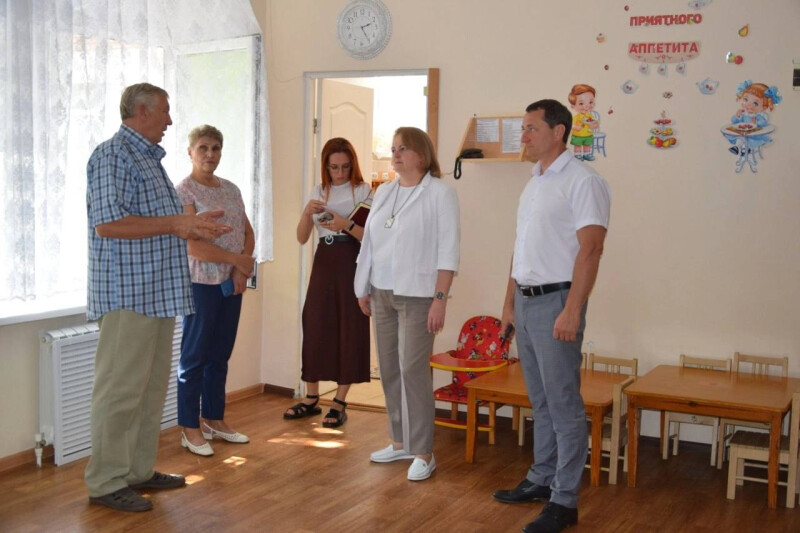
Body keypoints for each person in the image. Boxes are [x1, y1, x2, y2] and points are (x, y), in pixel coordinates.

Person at [85, 83, 232, 512]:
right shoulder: (113, 155)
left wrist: (191, 224)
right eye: (165, 111)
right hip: (127, 295)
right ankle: (106, 480)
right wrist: (176, 224)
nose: (170, 120)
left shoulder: (148, 159)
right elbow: (108, 224)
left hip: (158, 294)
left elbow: (162, 223)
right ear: (142, 110)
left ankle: (136, 470)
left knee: (149, 391)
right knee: (119, 392)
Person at [493, 99, 610, 533]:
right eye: (523, 128)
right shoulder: (534, 182)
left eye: (531, 128)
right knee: (540, 400)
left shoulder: (583, 181)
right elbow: (520, 247)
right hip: (525, 302)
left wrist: (572, 310)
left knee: (563, 404)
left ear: (558, 132)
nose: (523, 136)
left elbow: (591, 250)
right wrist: (508, 304)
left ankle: (565, 500)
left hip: (558, 302)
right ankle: (542, 478)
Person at [354, 127, 460, 482]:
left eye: (403, 149)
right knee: (389, 369)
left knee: (413, 371)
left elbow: (448, 251)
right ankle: (400, 442)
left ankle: (423, 451)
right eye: (394, 148)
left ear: (422, 154)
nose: (396, 154)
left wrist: (439, 300)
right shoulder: (385, 191)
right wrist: (362, 286)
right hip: (381, 290)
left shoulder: (440, 193)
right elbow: (370, 243)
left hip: (418, 295)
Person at [175, 125, 255, 456]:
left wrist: (239, 270)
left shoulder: (232, 189)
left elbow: (248, 233)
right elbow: (192, 246)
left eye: (216, 148)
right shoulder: (183, 191)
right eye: (203, 148)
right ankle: (189, 427)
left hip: (230, 284)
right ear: (190, 152)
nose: (210, 154)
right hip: (201, 285)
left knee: (220, 354)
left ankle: (213, 419)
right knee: (194, 357)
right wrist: (237, 261)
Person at [283, 138, 372, 428]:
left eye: (345, 166)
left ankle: (339, 401)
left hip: (351, 259)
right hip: (324, 258)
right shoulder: (319, 191)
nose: (340, 173)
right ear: (326, 166)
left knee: (349, 324)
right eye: (334, 167)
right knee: (315, 322)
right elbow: (301, 237)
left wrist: (344, 223)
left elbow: (370, 236)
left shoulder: (363, 190)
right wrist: (306, 212)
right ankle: (311, 398)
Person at [567, 84, 598, 161]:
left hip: (588, 134)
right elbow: (571, 124)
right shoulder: (577, 117)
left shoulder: (590, 116)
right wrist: (576, 127)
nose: (587, 106)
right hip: (578, 135)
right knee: (578, 146)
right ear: (573, 106)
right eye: (581, 103)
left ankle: (586, 154)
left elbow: (595, 123)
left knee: (587, 145)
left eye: (590, 102)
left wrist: (594, 125)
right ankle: (577, 155)